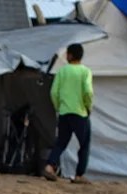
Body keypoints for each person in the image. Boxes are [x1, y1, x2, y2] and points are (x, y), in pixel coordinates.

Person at [43, 43, 93, 184]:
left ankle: (49, 166)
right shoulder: (85, 71)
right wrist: (88, 106)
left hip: (64, 112)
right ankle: (79, 175)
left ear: (70, 55)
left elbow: (53, 92)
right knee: (84, 144)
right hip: (80, 113)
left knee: (61, 142)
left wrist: (59, 107)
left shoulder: (62, 71)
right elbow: (88, 92)